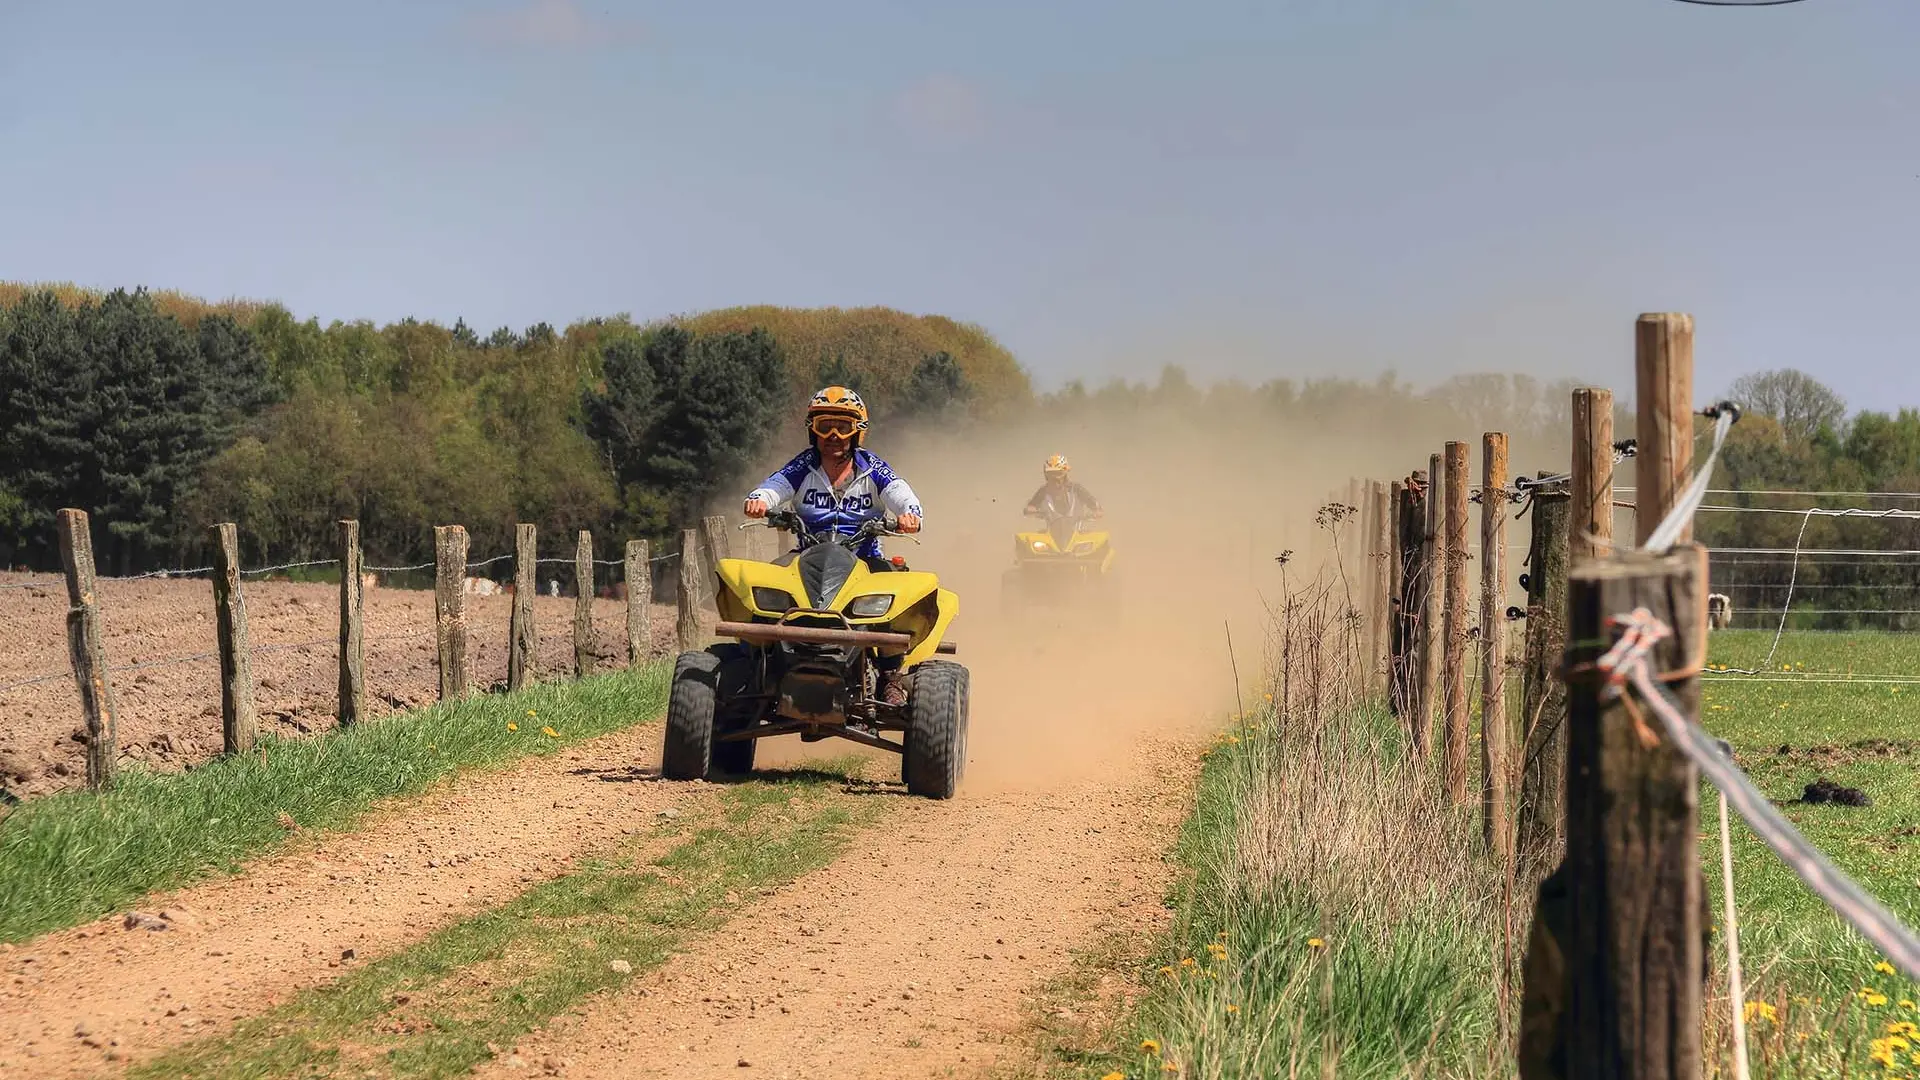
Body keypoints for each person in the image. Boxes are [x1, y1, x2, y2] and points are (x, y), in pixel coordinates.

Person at [743, 386, 924, 705]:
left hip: (865, 561)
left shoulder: (873, 468)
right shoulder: (803, 467)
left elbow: (901, 493)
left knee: (895, 594)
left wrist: (910, 515)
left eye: (843, 427)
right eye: (825, 426)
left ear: (858, 431)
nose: (834, 436)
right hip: (806, 559)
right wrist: (759, 500)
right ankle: (755, 669)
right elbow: (775, 485)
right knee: (762, 590)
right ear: (812, 430)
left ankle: (890, 676)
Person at [1023, 454, 1102, 521]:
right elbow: (1032, 505)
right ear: (1046, 475)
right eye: (1051, 474)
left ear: (1065, 474)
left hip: (1076, 531)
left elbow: (1092, 502)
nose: (1055, 477)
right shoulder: (1043, 491)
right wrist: (1031, 510)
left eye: (1058, 473)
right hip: (1051, 531)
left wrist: (1097, 511)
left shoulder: (1076, 488)